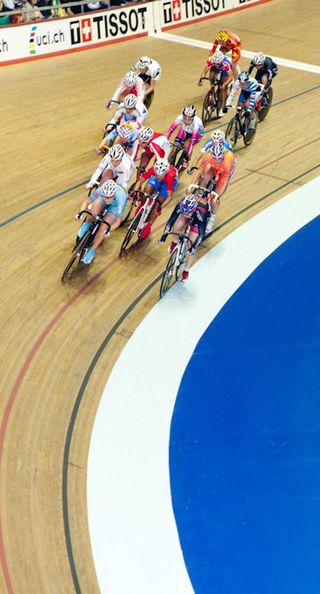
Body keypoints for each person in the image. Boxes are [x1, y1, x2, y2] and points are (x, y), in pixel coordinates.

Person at [159, 193, 208, 282]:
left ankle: (186, 270)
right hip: (189, 211)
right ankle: (175, 242)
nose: (186, 215)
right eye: (184, 213)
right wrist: (164, 236)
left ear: (193, 210)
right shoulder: (180, 205)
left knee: (191, 243)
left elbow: (201, 234)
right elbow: (171, 221)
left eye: (187, 214)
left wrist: (193, 247)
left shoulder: (201, 212)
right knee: (177, 225)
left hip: (197, 220)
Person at [76, 180, 128, 265]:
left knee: (104, 228)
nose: (107, 199)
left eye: (109, 197)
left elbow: (118, 222)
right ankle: (87, 224)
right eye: (105, 196)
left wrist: (109, 230)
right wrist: (80, 213)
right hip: (101, 199)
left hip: (115, 206)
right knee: (94, 209)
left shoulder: (121, 198)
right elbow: (86, 202)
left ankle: (92, 250)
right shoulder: (100, 191)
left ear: (114, 194)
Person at [191, 140, 236, 234]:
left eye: (219, 158)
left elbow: (226, 181)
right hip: (213, 167)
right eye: (215, 158)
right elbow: (199, 172)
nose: (217, 160)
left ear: (222, 155)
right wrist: (192, 185)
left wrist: (217, 196)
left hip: (225, 172)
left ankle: (212, 217)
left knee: (215, 199)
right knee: (204, 179)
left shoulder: (228, 160)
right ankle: (200, 196)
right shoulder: (209, 156)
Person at [133, 159, 178, 240]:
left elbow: (169, 197)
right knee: (147, 189)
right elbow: (140, 181)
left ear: (165, 172)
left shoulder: (170, 175)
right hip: (159, 177)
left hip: (168, 182)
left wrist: (160, 207)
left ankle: (149, 225)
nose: (159, 177)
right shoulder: (153, 169)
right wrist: (135, 191)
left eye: (161, 175)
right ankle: (142, 207)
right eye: (157, 174)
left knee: (158, 204)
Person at [198, 50, 233, 117]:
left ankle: (223, 106)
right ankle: (212, 92)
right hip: (216, 68)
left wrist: (225, 84)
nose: (217, 64)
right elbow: (204, 72)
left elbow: (231, 78)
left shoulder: (226, 63)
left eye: (218, 63)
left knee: (223, 87)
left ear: (221, 61)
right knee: (211, 77)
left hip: (225, 70)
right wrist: (201, 80)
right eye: (215, 63)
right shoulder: (212, 61)